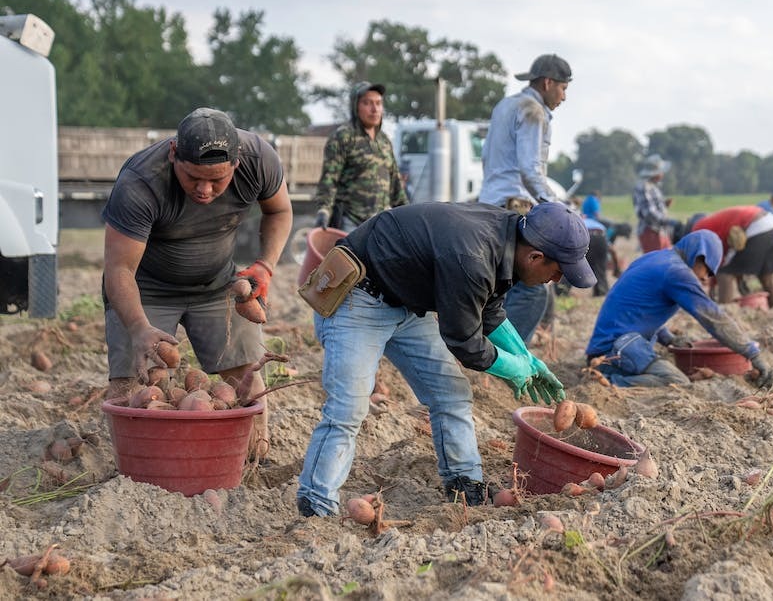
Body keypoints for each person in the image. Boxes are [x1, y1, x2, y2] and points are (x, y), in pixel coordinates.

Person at [296, 201, 595, 516]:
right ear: (535, 256)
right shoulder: (474, 255)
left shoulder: (510, 237)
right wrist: (513, 368)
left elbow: (489, 310)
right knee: (348, 406)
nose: (557, 281)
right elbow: (464, 341)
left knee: (451, 394)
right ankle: (316, 505)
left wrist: (527, 358)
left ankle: (465, 487)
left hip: (406, 303)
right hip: (358, 296)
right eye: (558, 271)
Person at [102, 107, 292, 457]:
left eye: (217, 180)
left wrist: (265, 265)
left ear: (236, 164)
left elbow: (279, 210)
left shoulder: (258, 159)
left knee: (247, 374)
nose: (204, 190)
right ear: (174, 154)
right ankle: (134, 466)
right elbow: (119, 270)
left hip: (217, 285)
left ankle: (254, 459)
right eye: (193, 178)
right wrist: (139, 328)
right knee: (133, 385)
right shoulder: (141, 181)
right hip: (146, 290)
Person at [585, 230, 773, 387]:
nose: (705, 278)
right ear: (698, 256)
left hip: (615, 346)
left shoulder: (657, 259)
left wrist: (669, 338)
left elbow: (641, 310)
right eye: (707, 270)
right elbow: (714, 318)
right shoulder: (677, 272)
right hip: (614, 352)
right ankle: (610, 381)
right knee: (677, 381)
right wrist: (753, 354)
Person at [477, 54, 572, 343]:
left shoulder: (505, 105)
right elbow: (530, 171)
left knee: (503, 285)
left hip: (490, 203)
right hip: (514, 207)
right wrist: (558, 209)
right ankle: (506, 356)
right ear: (548, 82)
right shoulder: (534, 111)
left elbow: (486, 157)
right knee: (531, 288)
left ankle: (497, 350)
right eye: (563, 88)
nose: (564, 97)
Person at [313, 82, 406, 231]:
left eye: (378, 103)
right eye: (367, 103)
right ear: (356, 106)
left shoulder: (384, 141)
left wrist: (406, 212)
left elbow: (395, 182)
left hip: (380, 223)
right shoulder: (343, 137)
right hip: (350, 221)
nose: (374, 109)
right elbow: (329, 180)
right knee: (350, 255)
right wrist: (324, 211)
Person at [690, 205, 773, 307]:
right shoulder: (713, 225)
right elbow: (728, 255)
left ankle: (725, 314)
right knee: (766, 278)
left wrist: (713, 284)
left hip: (756, 226)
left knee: (724, 274)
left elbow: (719, 260)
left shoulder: (697, 231)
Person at [634, 154, 673, 252]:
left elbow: (651, 206)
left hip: (660, 230)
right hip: (651, 231)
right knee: (656, 264)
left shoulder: (653, 186)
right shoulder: (644, 186)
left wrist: (663, 205)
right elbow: (649, 213)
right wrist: (666, 220)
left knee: (666, 261)